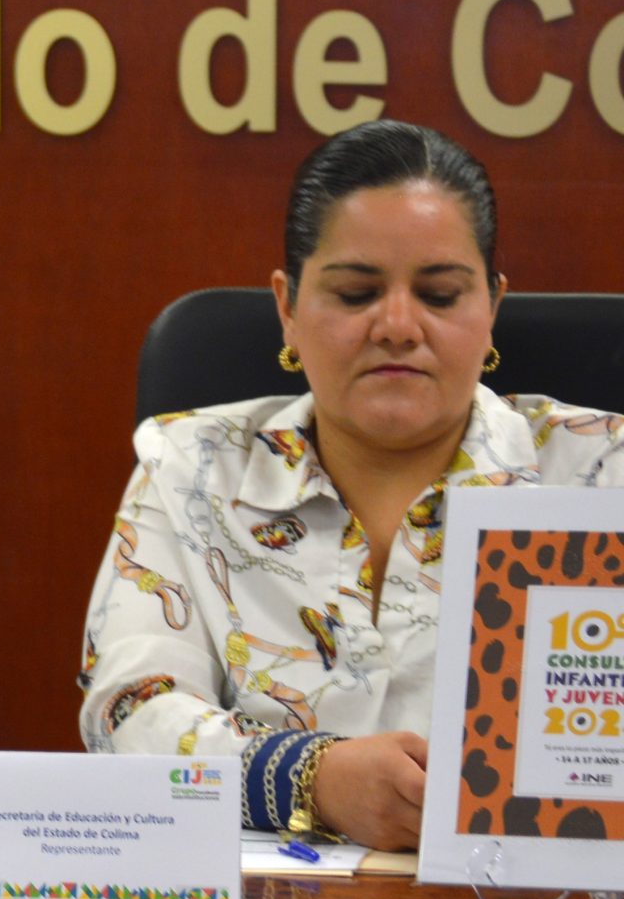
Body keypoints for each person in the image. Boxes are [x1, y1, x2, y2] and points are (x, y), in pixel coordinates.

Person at [78, 120, 624, 848]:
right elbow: (128, 717)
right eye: (357, 292)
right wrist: (311, 778)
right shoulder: (191, 467)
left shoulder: (600, 474)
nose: (397, 325)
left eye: (438, 294)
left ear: (491, 308)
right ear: (288, 308)